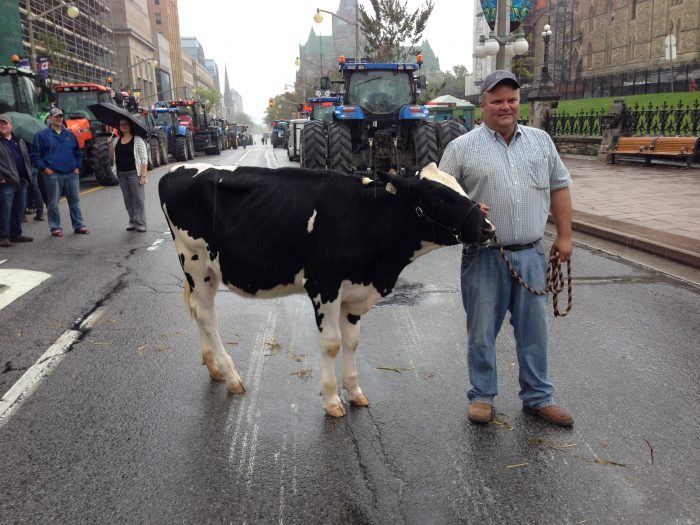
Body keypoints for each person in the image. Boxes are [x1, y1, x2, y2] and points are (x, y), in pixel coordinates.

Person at [439, 70, 574, 427]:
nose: (505, 106)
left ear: (519, 102)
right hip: (483, 255)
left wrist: (564, 236)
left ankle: (539, 397)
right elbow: (440, 198)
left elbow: (559, 187)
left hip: (532, 254)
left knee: (534, 332)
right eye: (496, 100)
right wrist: (466, 210)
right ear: (482, 104)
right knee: (481, 330)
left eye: (511, 99)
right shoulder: (461, 148)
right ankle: (482, 396)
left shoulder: (541, 142)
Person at [31, 107, 89, 237]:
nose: (59, 119)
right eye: (56, 116)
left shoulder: (69, 134)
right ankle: (55, 227)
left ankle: (79, 225)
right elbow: (35, 155)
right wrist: (45, 168)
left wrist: (77, 168)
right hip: (53, 174)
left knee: (75, 201)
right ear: (50, 118)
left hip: (71, 174)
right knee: (53, 203)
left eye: (61, 116)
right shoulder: (42, 135)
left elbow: (77, 153)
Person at [109, 118, 149, 232]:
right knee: (128, 200)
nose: (123, 126)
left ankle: (141, 223)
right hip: (121, 174)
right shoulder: (116, 140)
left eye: (126, 124)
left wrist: (143, 176)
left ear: (130, 126)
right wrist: (110, 146)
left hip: (134, 173)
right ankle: (132, 221)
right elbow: (112, 157)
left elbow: (144, 159)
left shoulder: (138, 140)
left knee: (138, 199)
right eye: (121, 124)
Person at [0, 114, 34, 247]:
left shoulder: (18, 140)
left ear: (10, 125)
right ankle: (3, 236)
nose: (2, 126)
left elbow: (26, 158)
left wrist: (27, 175)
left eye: (5, 123)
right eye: (0, 124)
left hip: (21, 181)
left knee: (19, 209)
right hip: (6, 182)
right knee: (5, 210)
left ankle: (16, 234)